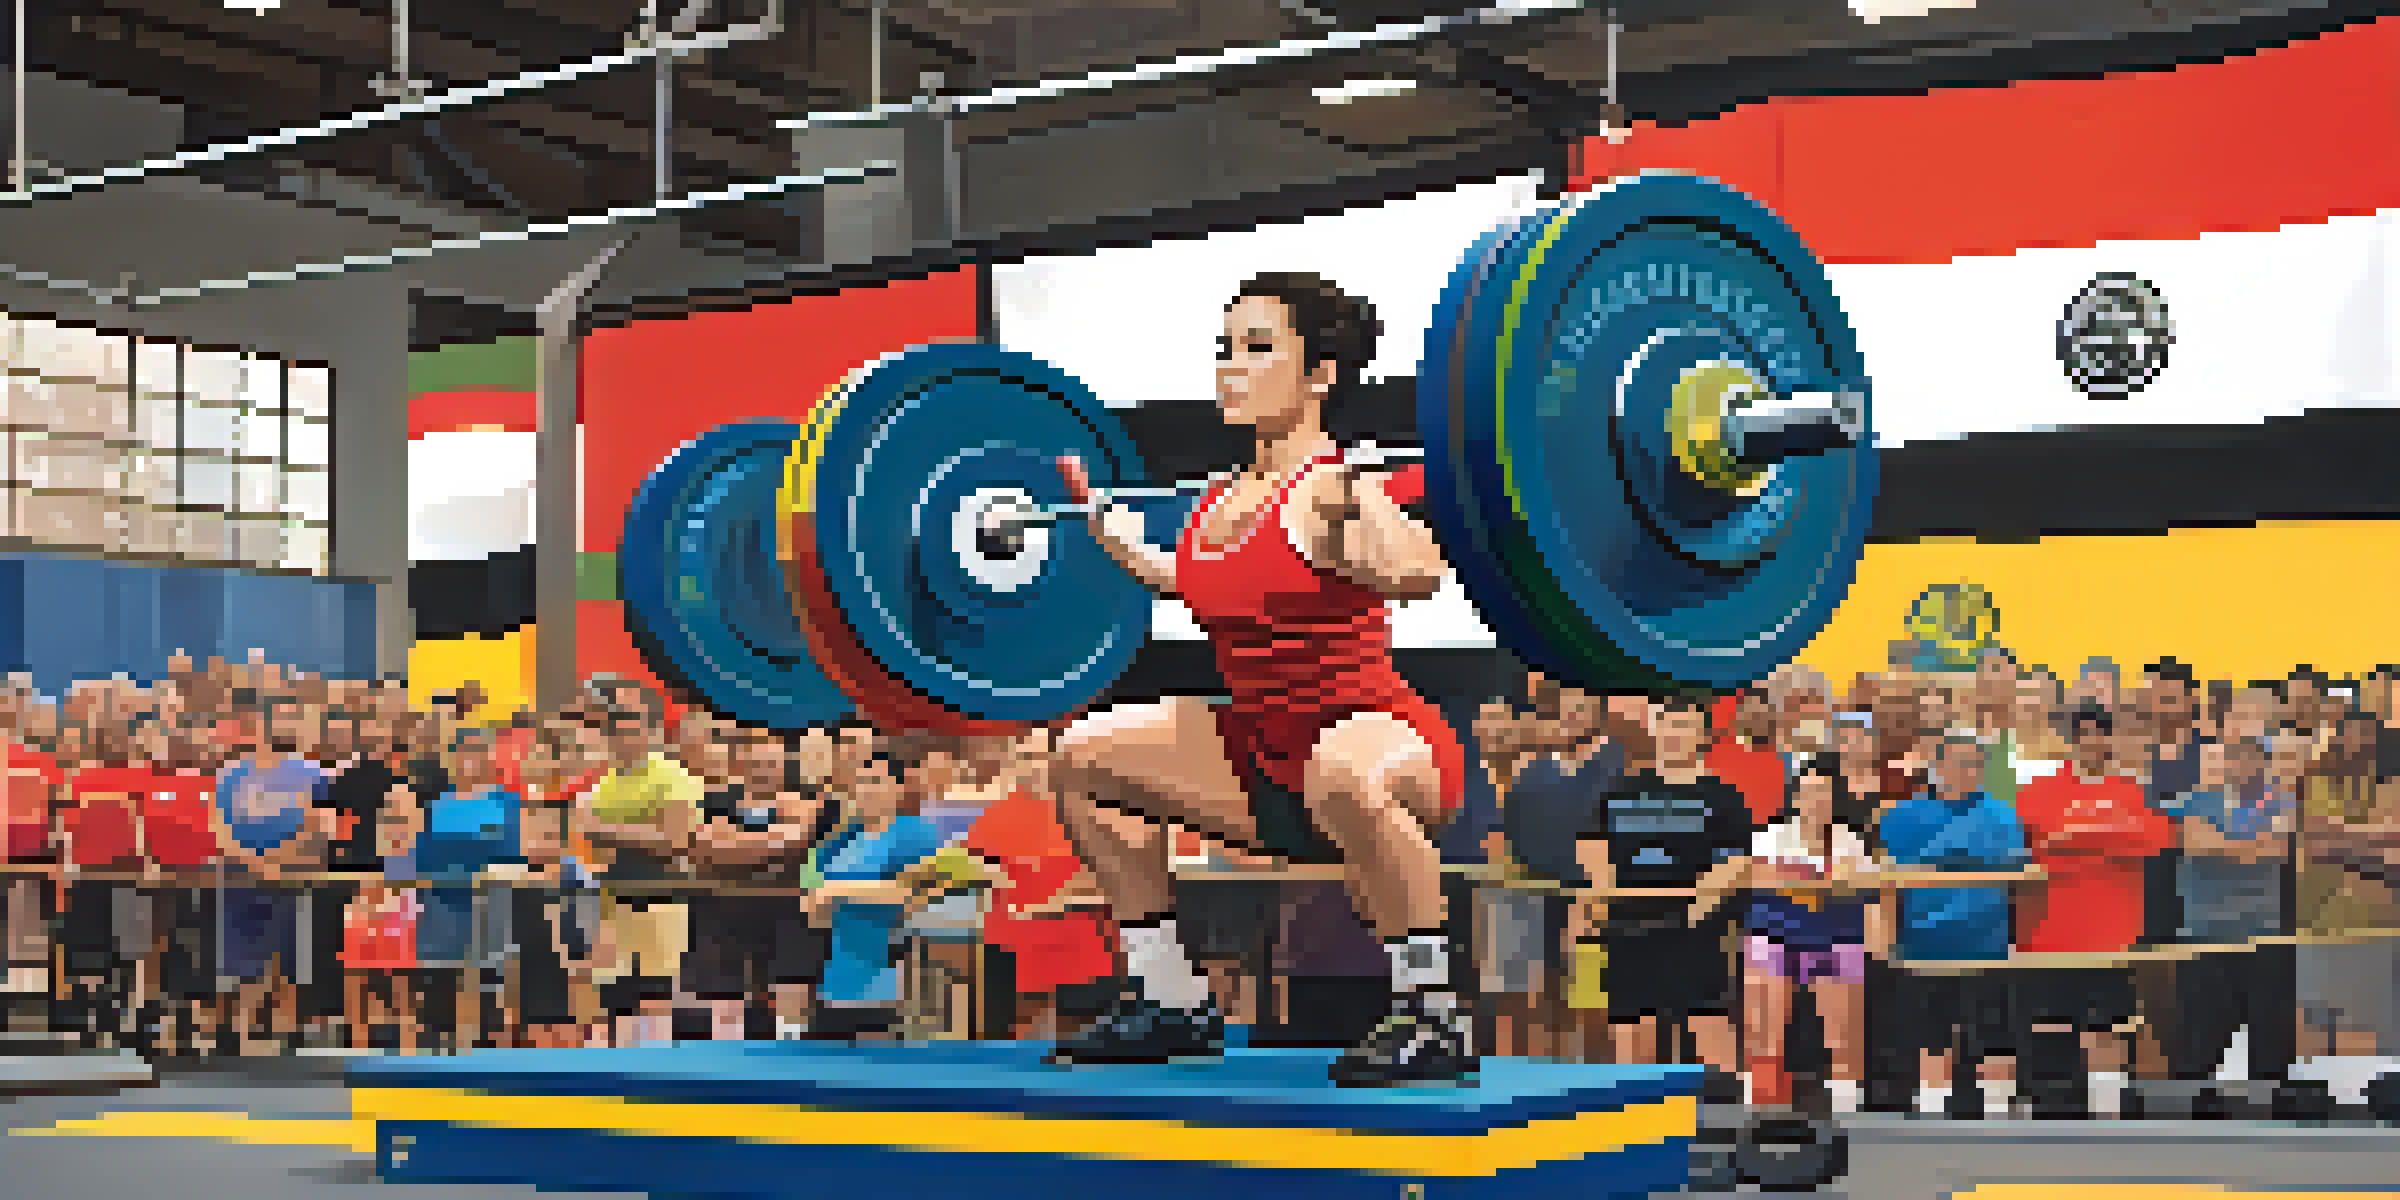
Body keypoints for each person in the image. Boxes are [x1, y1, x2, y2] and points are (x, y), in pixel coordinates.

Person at [1043, 272, 1470, 1086]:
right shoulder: (1219, 498)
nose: (1230, 369)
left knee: (1343, 771)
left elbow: (1420, 573)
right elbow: (1189, 582)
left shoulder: (1337, 485)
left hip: (1378, 741)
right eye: (1225, 349)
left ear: (1321, 375)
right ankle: (1173, 998)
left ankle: (1431, 1013)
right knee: (1081, 756)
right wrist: (1111, 533)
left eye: (1259, 348)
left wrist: (1357, 528)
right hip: (1264, 757)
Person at [2011, 703, 2176, 1119]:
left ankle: (2108, 1115)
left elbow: (2156, 838)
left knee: (2109, 1026)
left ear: (2110, 739)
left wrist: (2080, 838)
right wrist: (2101, 840)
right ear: (2070, 739)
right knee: (2052, 1026)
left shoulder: (2133, 791)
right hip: (2049, 936)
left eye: (2100, 733)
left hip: (2111, 936)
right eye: (2083, 733)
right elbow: (2021, 851)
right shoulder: (2037, 790)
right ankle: (2052, 1113)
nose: (2092, 742)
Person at [1575, 695, 1753, 1075]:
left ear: (1701, 734)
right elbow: (1593, 843)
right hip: (1627, 931)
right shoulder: (1621, 790)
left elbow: (1735, 860)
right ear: (1654, 731)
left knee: (1707, 1026)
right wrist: (1602, 895)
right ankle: (1632, 1117)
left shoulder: (1724, 795)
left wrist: (1698, 908)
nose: (1674, 734)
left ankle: (1717, 1120)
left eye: (1683, 725)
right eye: (1666, 725)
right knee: (1632, 1034)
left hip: (1696, 936)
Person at [1872, 733, 2031, 1117]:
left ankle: (1996, 1113)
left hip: (1986, 941)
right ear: (1938, 767)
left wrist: (1939, 859)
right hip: (1924, 942)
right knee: (1931, 1034)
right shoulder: (1903, 814)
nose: (1970, 773)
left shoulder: (2000, 811)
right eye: (1961, 764)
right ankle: (1931, 1111)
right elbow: (1893, 871)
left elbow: (2011, 861)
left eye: (1977, 765)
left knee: (1991, 1032)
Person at [964, 728, 1118, 1041]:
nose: (1031, 767)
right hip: (1012, 948)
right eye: (1023, 758)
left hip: (1078, 946)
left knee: (1085, 1043)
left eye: (1038, 758)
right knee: (1006, 1044)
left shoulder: (1090, 811)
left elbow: (1109, 880)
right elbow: (974, 863)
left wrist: (1051, 904)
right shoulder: (997, 812)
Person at [1741, 755, 1876, 1111]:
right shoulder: (1770, 836)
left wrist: (1813, 880)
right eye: (1810, 793)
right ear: (1795, 797)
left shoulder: (1850, 840)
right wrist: (1825, 879)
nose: (1817, 802)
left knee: (1843, 1031)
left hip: (1835, 935)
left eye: (1825, 794)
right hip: (1773, 934)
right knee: (1765, 1028)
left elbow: (1857, 887)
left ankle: (1848, 1111)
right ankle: (1762, 1108)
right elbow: (1766, 879)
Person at [2162, 735, 2297, 1084]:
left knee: (2270, 1045)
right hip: (2205, 937)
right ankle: (2190, 1116)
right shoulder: (2189, 802)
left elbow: (2275, 849)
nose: (2243, 766)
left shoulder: (2281, 803)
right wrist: (2250, 842)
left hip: (2264, 937)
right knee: (2196, 1043)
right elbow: (2196, 841)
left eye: (2253, 758)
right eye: (2236, 757)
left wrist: (2223, 840)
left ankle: (2272, 1114)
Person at [684, 723, 831, 1041]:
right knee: (724, 993)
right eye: (755, 762)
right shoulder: (715, 799)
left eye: (770, 762)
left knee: (793, 987)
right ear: (739, 763)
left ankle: (793, 1060)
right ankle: (726, 1065)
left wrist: (736, 840)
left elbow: (797, 839)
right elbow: (709, 847)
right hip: (726, 911)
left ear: (783, 762)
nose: (763, 770)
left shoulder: (806, 799)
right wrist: (771, 840)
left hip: (789, 911)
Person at [577, 683, 700, 1048]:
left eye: (634, 729)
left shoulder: (672, 776)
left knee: (656, 989)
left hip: (662, 896)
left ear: (652, 731)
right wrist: (636, 831)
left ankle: (658, 1066)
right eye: (618, 731)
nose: (625, 738)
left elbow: (674, 841)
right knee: (613, 988)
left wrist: (608, 829)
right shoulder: (607, 782)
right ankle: (617, 1066)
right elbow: (590, 839)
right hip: (613, 895)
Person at [797, 748, 944, 1041]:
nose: (866, 790)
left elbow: (912, 896)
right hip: (835, 985)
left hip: (894, 985)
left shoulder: (916, 834)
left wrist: (837, 890)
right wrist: (826, 897)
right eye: (861, 782)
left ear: (898, 789)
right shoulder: (836, 841)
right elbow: (813, 912)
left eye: (876, 781)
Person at [214, 693, 328, 1055]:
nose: (283, 726)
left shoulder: (314, 774)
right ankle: (239, 1033)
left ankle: (288, 1035)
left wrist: (278, 860)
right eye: (277, 718)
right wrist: (255, 862)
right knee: (239, 961)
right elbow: (218, 830)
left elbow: (318, 827)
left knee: (290, 959)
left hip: (292, 880)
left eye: (291, 718)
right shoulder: (230, 775)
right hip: (239, 881)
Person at [2296, 708, 2400, 1056]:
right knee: (2318, 998)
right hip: (2317, 896)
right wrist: (2369, 836)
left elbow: (2388, 832)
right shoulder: (2317, 774)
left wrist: (2348, 835)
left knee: (2369, 996)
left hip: (2370, 899)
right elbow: (2314, 832)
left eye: (2366, 734)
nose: (2358, 741)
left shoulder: (2383, 778)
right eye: (2352, 732)